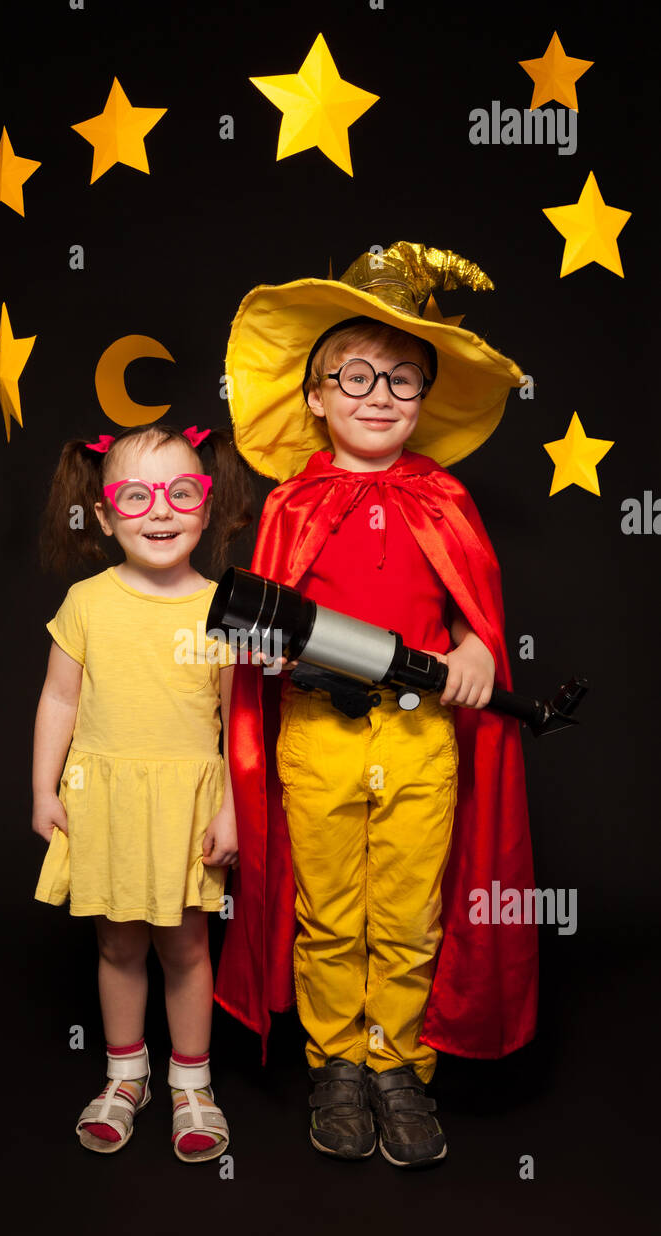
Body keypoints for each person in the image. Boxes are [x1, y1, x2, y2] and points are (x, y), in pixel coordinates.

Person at [215, 241, 538, 1168]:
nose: (377, 393)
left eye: (402, 377)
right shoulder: (292, 503)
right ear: (315, 394)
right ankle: (337, 1064)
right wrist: (266, 657)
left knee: (407, 909)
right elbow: (259, 633)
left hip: (423, 739)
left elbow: (478, 613)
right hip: (317, 740)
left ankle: (401, 1065)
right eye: (352, 374)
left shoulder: (446, 497)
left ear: (425, 398)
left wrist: (479, 646)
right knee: (329, 909)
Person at [32, 422, 252, 1161]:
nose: (160, 511)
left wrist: (231, 806)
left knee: (187, 947)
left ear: (207, 505)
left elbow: (236, 724)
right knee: (118, 942)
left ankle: (193, 1084)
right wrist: (44, 788)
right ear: (103, 514)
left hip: (186, 806)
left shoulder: (224, 609)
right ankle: (127, 1075)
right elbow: (60, 701)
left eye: (180, 492)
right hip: (107, 800)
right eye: (137, 496)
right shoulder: (87, 601)